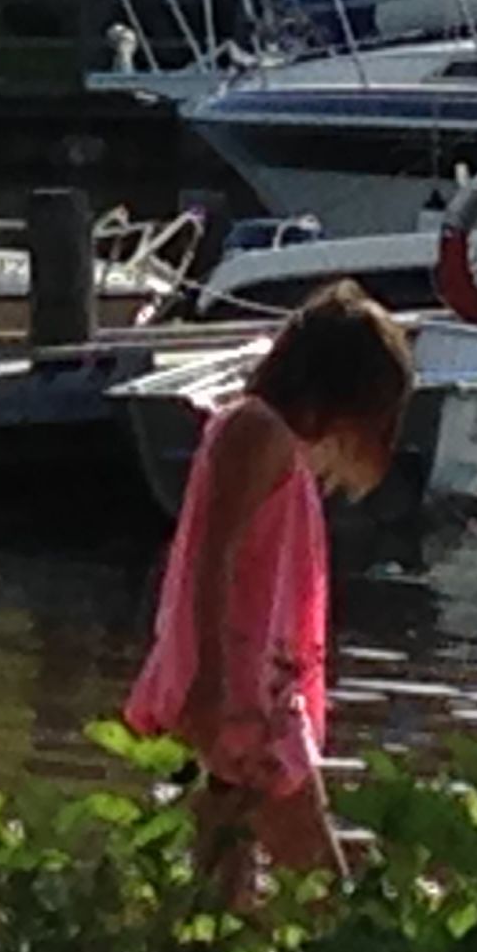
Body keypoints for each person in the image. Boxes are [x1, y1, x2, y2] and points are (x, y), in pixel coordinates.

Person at [124, 279, 413, 905]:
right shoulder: (260, 434)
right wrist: (211, 679)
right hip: (244, 692)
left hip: (250, 683)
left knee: (222, 871)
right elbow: (213, 559)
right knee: (316, 873)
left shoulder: (266, 437)